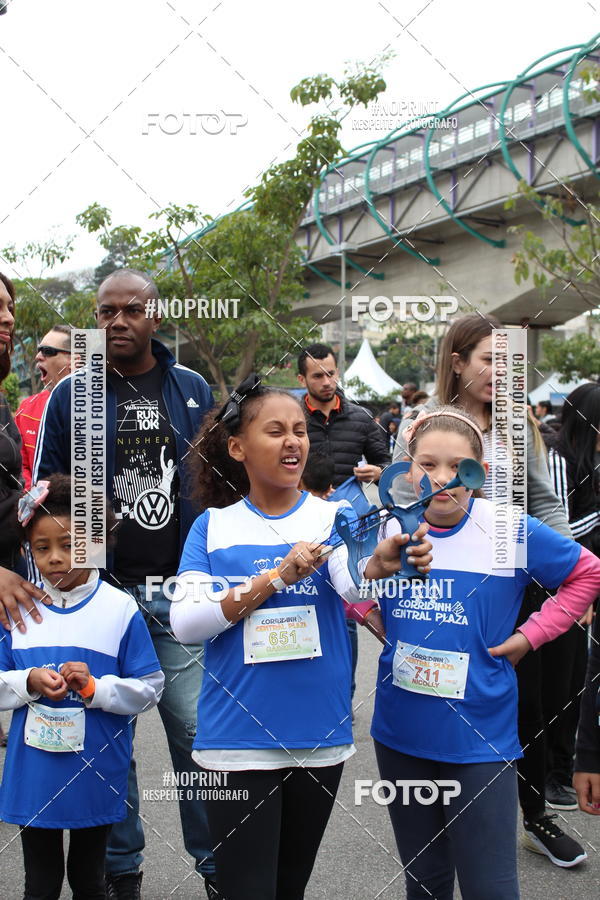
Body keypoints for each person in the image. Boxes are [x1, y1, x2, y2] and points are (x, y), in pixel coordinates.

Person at [169, 376, 432, 900]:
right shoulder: (212, 527)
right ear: (238, 448)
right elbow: (187, 623)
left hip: (318, 736)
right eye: (275, 431)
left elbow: (353, 584)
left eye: (299, 431)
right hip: (236, 741)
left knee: (290, 889)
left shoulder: (333, 516)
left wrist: (382, 564)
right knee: (246, 890)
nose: (293, 441)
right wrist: (274, 579)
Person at [32, 269, 217, 899]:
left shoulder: (189, 387)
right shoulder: (72, 393)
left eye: (131, 310)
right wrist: (63, 573)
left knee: (194, 732)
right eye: (106, 311)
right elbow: (45, 491)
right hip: (101, 596)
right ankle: (120, 873)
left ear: (154, 317)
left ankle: (216, 869)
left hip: (178, 592)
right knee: (109, 736)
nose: (117, 321)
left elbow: (212, 485)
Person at [371, 407, 600, 899]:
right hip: (398, 736)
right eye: (428, 464)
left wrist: (529, 636)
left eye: (459, 466)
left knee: (490, 886)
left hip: (479, 741)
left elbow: (588, 573)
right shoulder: (390, 527)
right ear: (408, 469)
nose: (442, 478)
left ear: (483, 472)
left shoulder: (507, 529)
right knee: (424, 882)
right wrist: (369, 611)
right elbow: (346, 579)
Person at [391, 312, 586, 867]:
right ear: (458, 363)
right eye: (489, 360)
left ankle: (534, 816)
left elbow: (543, 501)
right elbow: (398, 503)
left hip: (518, 586)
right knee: (444, 695)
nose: (501, 372)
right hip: (448, 588)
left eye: (508, 362)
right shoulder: (422, 424)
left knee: (530, 705)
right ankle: (442, 811)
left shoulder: (518, 423)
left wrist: (567, 569)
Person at [0, 474, 164, 900]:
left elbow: (150, 687)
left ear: (96, 542)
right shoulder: (17, 609)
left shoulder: (119, 608)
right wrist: (27, 681)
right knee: (40, 884)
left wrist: (96, 689)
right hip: (34, 774)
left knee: (89, 880)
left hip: (97, 771)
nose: (56, 558)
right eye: (42, 548)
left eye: (70, 544)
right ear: (26, 550)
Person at [545, 383, 600, 808]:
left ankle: (565, 768)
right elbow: (558, 531)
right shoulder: (558, 460)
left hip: (589, 588)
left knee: (582, 684)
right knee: (561, 687)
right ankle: (551, 776)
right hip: (562, 588)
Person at [297, 343, 390, 487]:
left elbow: (385, 464)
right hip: (303, 500)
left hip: (349, 501)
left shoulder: (362, 417)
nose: (326, 382)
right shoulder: (292, 419)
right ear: (302, 380)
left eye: (330, 374)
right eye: (318, 376)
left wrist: (379, 473)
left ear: (338, 373)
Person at [14, 324, 74, 490]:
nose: (38, 356)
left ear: (74, 359)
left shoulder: (105, 404)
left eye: (48, 351)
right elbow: (19, 466)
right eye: (39, 350)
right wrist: (36, 498)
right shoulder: (26, 409)